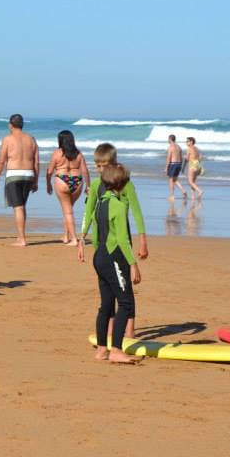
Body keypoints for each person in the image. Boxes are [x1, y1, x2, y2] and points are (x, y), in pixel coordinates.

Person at [79, 143, 147, 338]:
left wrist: (142, 240)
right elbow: (88, 212)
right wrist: (82, 239)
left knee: (125, 288)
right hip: (101, 245)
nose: (101, 170)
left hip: (121, 243)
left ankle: (129, 333)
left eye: (105, 165)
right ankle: (108, 333)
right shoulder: (95, 186)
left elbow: (137, 212)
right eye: (98, 166)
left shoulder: (124, 185)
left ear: (115, 163)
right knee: (108, 291)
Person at [0, 114, 39, 246]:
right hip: (29, 175)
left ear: (10, 125)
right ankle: (20, 236)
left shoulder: (8, 139)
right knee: (22, 206)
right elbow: (36, 162)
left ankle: (22, 239)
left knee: (18, 207)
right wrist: (35, 180)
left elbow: (1, 160)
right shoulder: (32, 139)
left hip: (14, 175)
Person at [45, 130, 89, 245]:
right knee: (68, 209)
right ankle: (66, 236)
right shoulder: (78, 154)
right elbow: (85, 171)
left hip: (62, 180)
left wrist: (48, 183)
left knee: (67, 212)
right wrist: (88, 186)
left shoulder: (57, 153)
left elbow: (49, 171)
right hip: (77, 181)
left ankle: (74, 239)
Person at [164, 134, 186, 200]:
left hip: (173, 164)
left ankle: (172, 196)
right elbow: (181, 157)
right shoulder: (179, 147)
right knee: (175, 179)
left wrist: (166, 167)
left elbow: (168, 158)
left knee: (171, 180)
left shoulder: (170, 147)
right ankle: (183, 190)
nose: (167, 140)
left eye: (168, 139)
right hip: (179, 164)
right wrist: (181, 166)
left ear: (170, 139)